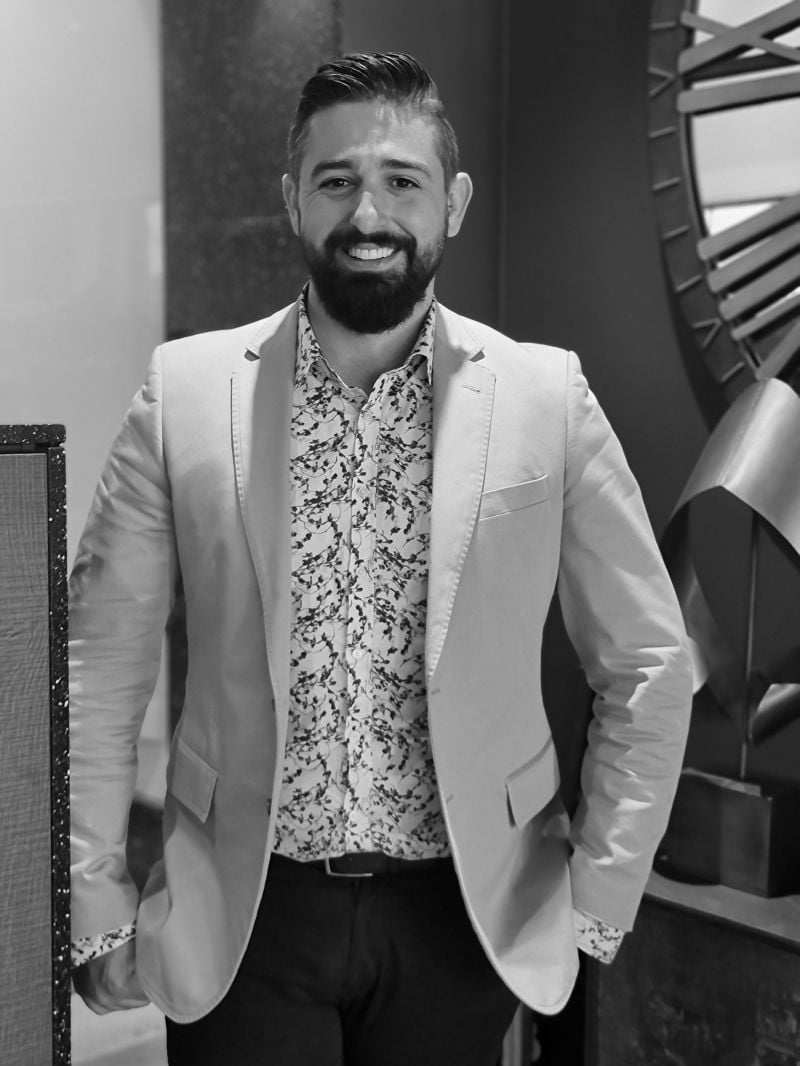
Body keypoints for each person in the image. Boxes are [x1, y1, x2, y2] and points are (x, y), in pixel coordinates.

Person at [70, 51, 692, 1066]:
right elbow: (99, 669)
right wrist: (93, 900)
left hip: (465, 912)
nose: (369, 212)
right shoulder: (182, 395)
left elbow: (650, 664)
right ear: (292, 200)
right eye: (337, 181)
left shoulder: (547, 399)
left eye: (402, 180)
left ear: (453, 202)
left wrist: (597, 896)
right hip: (243, 910)